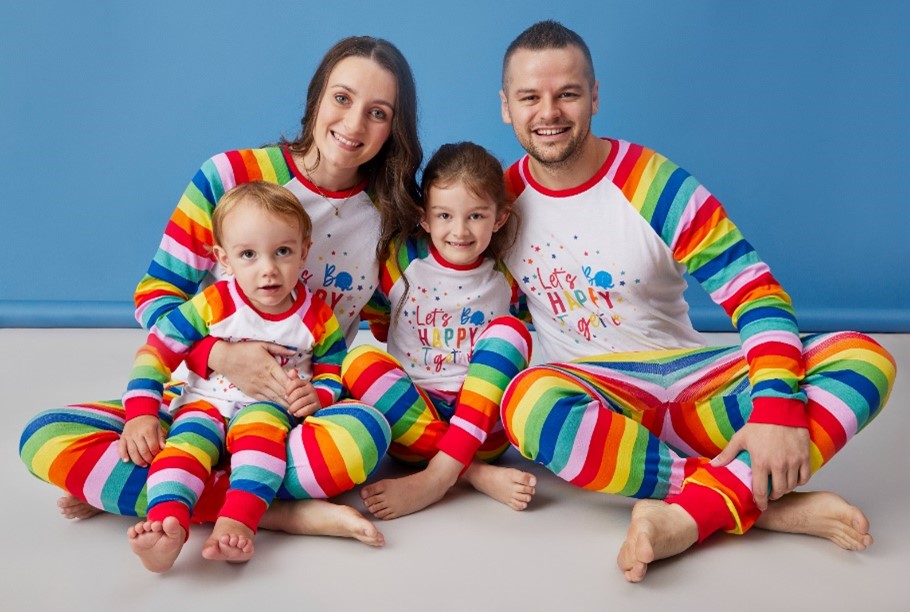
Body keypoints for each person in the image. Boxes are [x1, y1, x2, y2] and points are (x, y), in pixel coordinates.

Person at [496, 20, 897, 583]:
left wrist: (775, 408)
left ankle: (689, 515)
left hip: (699, 392)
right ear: (506, 106)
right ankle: (751, 501)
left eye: (567, 93)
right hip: (602, 406)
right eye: (529, 97)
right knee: (526, 401)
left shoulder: (652, 183)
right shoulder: (499, 205)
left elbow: (754, 292)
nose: (550, 113)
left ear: (594, 96)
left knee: (864, 357)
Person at [19, 35, 421, 550]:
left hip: (295, 417)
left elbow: (403, 327)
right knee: (45, 437)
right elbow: (156, 296)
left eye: (378, 112)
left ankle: (156, 492)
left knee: (366, 437)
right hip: (197, 402)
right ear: (317, 96)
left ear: (394, 128)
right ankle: (277, 513)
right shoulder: (231, 176)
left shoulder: (391, 216)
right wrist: (221, 355)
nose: (354, 123)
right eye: (342, 98)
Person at [122, 181, 374, 572]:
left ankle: (236, 523)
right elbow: (157, 350)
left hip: (267, 407)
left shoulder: (316, 316)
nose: (268, 269)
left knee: (262, 452)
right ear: (225, 259)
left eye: (283, 252)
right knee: (184, 449)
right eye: (249, 255)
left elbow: (331, 367)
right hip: (204, 403)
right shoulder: (214, 303)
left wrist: (320, 395)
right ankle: (165, 525)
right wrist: (141, 413)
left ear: (304, 252)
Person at [343, 142, 537, 519]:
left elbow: (521, 328)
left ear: (499, 218)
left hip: (484, 430)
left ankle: (439, 475)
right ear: (425, 218)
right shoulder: (401, 261)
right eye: (445, 215)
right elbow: (378, 316)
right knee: (358, 361)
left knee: (511, 332)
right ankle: (471, 473)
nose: (459, 231)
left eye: (476, 216)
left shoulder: (506, 272)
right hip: (413, 425)